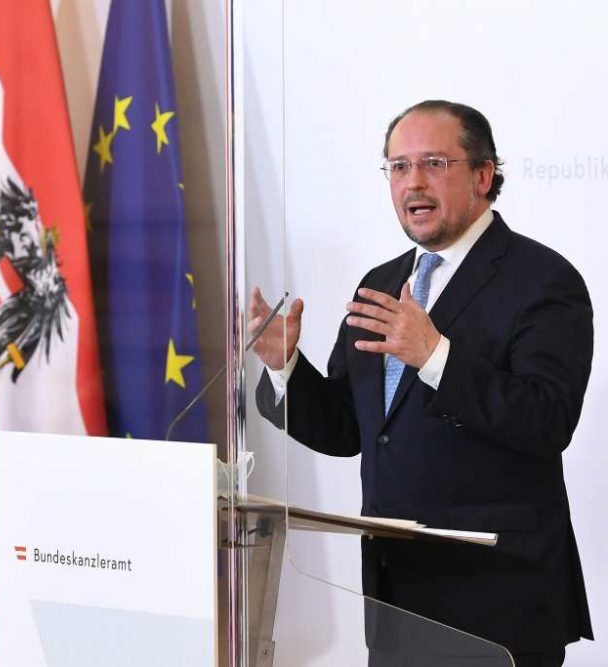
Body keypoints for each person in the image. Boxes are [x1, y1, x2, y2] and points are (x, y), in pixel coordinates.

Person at [251, 100, 592, 666]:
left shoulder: (544, 279)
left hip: (497, 605)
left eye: (434, 163)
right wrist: (284, 367)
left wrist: (435, 355)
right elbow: (349, 429)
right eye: (399, 167)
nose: (414, 183)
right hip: (394, 597)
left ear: (484, 175)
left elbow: (547, 420)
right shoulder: (382, 283)